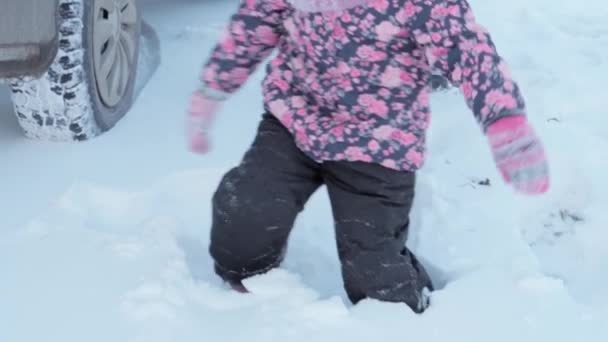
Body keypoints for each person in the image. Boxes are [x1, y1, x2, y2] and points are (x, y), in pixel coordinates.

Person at [185, 0, 550, 313]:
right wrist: (214, 86)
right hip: (294, 120)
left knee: (376, 275)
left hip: (378, 141)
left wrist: (505, 120)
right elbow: (256, 20)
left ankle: (414, 314)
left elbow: (467, 49)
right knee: (246, 210)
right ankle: (248, 291)